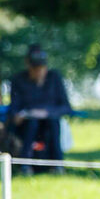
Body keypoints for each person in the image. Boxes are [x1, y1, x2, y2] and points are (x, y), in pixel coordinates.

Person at [8, 45, 72, 174]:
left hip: (50, 121)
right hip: (27, 124)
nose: (39, 72)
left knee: (53, 122)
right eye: (35, 68)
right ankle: (25, 166)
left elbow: (66, 107)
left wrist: (46, 113)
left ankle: (58, 165)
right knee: (32, 123)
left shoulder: (54, 78)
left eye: (41, 68)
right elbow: (14, 106)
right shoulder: (18, 80)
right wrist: (17, 115)